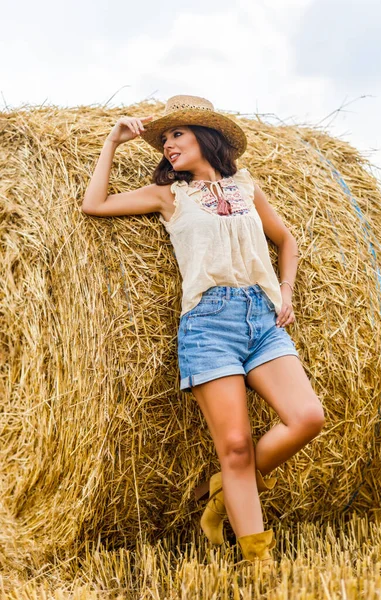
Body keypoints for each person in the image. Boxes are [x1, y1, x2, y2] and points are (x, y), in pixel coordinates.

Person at [81, 94, 325, 565]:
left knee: (308, 418)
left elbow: (286, 239)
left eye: (178, 134)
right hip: (209, 323)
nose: (168, 145)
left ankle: (222, 494)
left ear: (206, 137)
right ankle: (260, 563)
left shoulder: (247, 188)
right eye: (164, 138)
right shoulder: (168, 196)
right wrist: (113, 141)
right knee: (234, 446)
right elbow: (94, 205)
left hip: (262, 317)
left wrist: (286, 290)